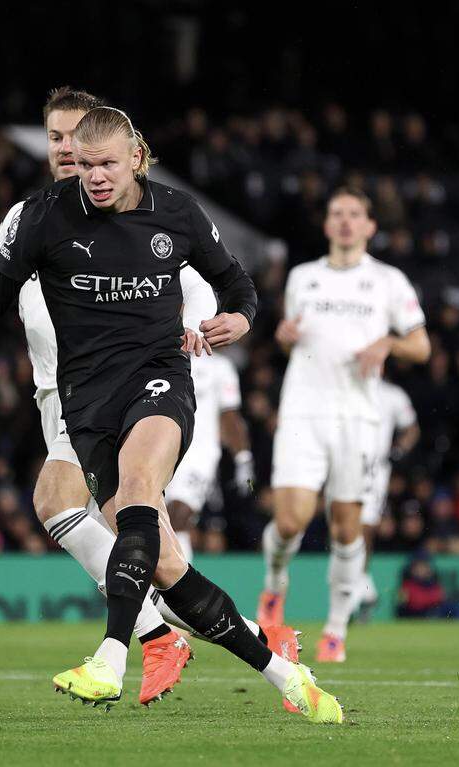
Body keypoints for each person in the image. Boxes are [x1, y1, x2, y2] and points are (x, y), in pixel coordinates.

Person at [0, 105, 341, 722]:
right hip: (86, 402)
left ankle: (111, 655)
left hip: (158, 383)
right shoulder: (46, 216)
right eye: (85, 164)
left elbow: (237, 284)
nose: (93, 176)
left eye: (106, 164)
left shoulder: (175, 214)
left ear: (137, 159)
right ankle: (284, 671)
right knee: (166, 565)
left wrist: (240, 318)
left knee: (141, 492)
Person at [259, 186, 431, 663]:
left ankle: (335, 629)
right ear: (327, 224)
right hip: (303, 409)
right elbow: (291, 341)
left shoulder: (388, 282)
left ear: (371, 226)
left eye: (355, 214)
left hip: (357, 416)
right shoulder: (303, 278)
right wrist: (284, 336)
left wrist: (388, 345)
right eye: (337, 213)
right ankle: (275, 587)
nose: (346, 221)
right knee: (290, 520)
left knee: (347, 526)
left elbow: (421, 346)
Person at [163, 349, 255, 563]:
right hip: (160, 448)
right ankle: (154, 585)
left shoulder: (220, 367)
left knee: (179, 515)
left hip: (198, 454)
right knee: (157, 518)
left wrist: (243, 457)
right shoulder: (163, 353)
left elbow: (230, 415)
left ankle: (175, 589)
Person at [353, 378, 419, 619]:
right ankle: (362, 586)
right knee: (343, 528)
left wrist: (398, 451)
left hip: (374, 469)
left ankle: (358, 590)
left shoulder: (393, 394)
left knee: (365, 526)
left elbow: (412, 428)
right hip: (343, 464)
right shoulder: (346, 387)